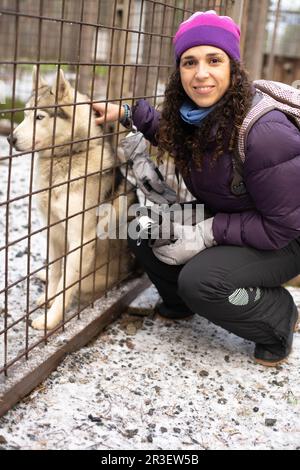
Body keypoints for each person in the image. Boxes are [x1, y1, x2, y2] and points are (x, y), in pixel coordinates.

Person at [93, 11, 300, 367]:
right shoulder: (195, 114)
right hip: (235, 218)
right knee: (140, 225)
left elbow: (284, 226)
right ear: (180, 71)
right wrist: (128, 114)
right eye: (190, 62)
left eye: (214, 60)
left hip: (285, 238)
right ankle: (181, 303)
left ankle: (278, 317)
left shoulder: (266, 134)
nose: (201, 73)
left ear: (233, 68)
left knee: (202, 280)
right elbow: (173, 135)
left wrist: (207, 233)